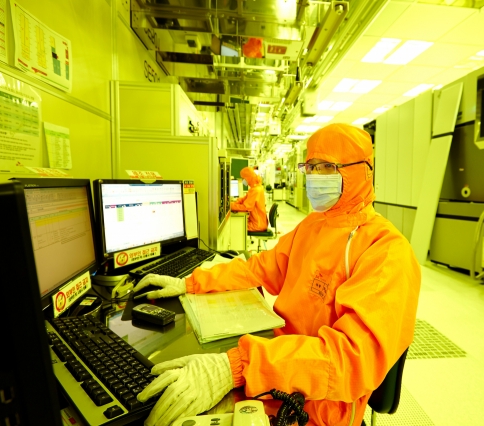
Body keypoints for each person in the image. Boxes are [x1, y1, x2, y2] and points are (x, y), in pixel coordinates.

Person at [133, 123, 421, 426]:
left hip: (321, 406)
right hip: (276, 367)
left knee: (174, 413)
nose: (316, 176)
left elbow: (347, 362)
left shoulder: (386, 252)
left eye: (327, 167)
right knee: (159, 393)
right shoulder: (312, 227)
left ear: (362, 171)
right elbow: (259, 268)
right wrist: (191, 283)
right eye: (311, 166)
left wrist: (237, 367)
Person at [231, 166, 268, 232]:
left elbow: (246, 207)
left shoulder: (255, 190)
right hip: (258, 222)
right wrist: (234, 203)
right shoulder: (255, 187)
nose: (242, 180)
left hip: (257, 225)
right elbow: (244, 199)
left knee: (234, 226)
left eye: (243, 178)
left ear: (248, 178)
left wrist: (230, 206)